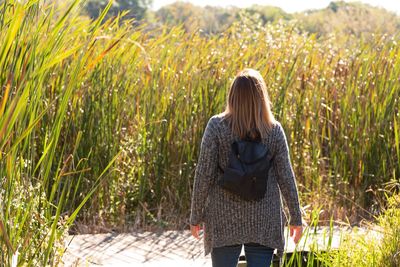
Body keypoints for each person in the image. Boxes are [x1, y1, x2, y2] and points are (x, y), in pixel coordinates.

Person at [189, 68, 303, 267]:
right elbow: (286, 176)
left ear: (232, 96)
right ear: (261, 97)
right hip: (264, 218)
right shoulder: (274, 130)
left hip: (223, 218)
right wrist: (296, 217)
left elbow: (204, 175)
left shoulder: (216, 126)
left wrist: (195, 216)